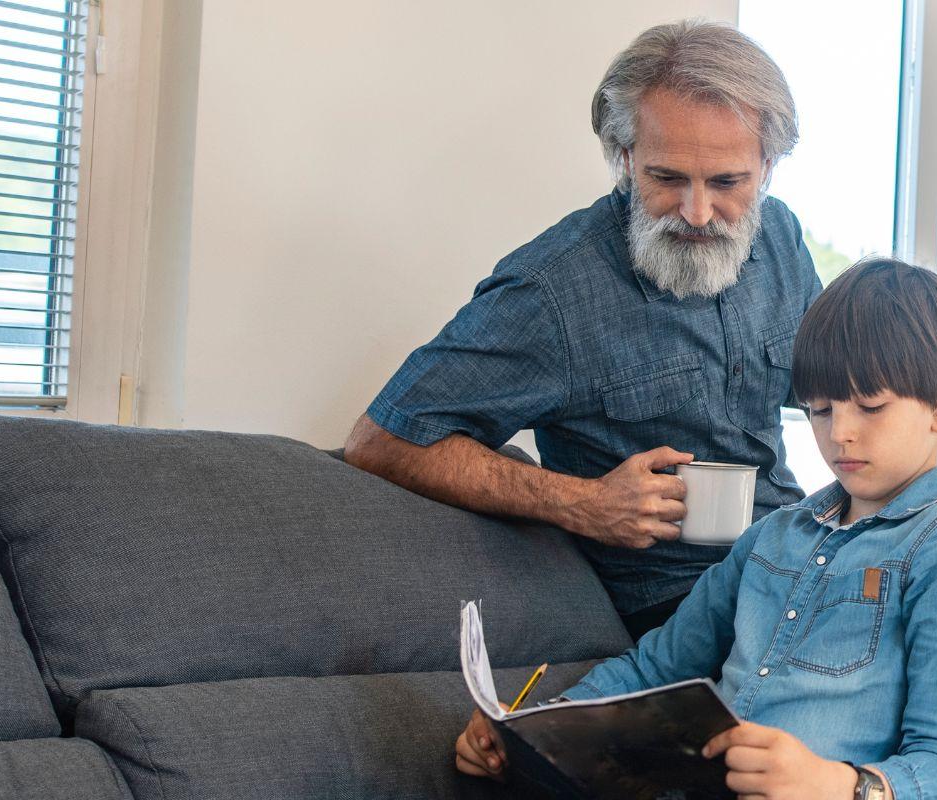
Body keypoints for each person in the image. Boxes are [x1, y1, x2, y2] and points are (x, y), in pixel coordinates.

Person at [453, 259, 937, 800]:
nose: (840, 433)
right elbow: (655, 668)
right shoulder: (772, 538)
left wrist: (835, 785)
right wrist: (534, 731)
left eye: (870, 407)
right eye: (819, 410)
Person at [343, 20, 822, 638]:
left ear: (768, 163)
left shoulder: (778, 235)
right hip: (675, 607)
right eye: (666, 178)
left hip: (794, 563)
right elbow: (382, 441)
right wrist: (584, 503)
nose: (698, 213)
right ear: (623, 158)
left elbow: (829, 393)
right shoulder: (550, 291)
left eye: (728, 182)